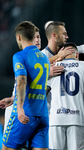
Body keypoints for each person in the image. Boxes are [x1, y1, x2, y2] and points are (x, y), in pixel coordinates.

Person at [2, 21, 50, 150]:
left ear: (19, 37)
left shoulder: (19, 56)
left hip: (25, 113)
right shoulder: (44, 58)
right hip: (42, 114)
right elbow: (36, 85)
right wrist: (12, 99)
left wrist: (19, 108)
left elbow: (22, 81)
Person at [47, 42, 84, 150]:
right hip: (76, 118)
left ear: (62, 54)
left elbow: (43, 93)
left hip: (56, 118)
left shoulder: (52, 68)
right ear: (77, 55)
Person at [0, 27, 42, 134]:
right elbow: (22, 83)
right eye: (33, 37)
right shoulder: (22, 57)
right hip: (19, 108)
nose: (37, 40)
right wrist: (14, 100)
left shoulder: (44, 58)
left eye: (38, 37)